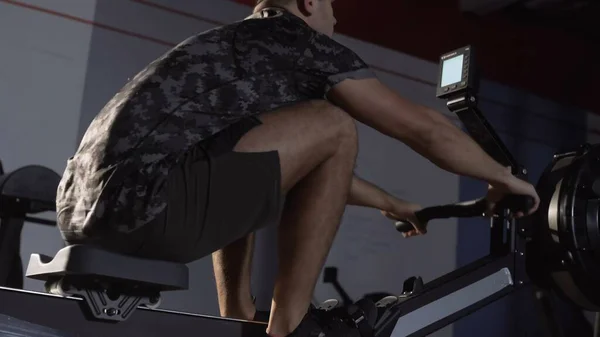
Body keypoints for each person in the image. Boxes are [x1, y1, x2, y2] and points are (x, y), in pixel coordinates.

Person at [55, 0, 541, 336]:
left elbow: (271, 169)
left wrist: (392, 203)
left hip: (82, 209)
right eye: (332, 7)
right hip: (150, 206)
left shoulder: (231, 47)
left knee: (233, 152)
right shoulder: (300, 42)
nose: (336, 19)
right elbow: (422, 129)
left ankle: (242, 316)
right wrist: (506, 177)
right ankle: (290, 326)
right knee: (336, 125)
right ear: (309, 3)